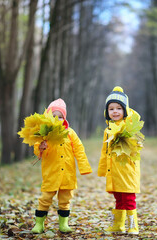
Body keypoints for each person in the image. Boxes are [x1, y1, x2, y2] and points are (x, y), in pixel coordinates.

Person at [31, 98, 93, 234]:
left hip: (67, 174)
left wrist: (84, 167)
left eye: (60, 117)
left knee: (65, 200)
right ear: (48, 117)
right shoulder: (45, 135)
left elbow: (79, 150)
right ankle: (39, 223)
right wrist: (41, 147)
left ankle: (63, 223)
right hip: (51, 173)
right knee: (45, 198)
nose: (57, 119)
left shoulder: (70, 133)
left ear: (64, 118)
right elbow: (37, 150)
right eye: (54, 116)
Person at [98, 86, 141, 235]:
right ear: (107, 112)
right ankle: (118, 224)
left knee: (129, 198)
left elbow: (137, 146)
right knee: (119, 199)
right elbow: (105, 151)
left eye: (118, 108)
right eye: (111, 109)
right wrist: (103, 169)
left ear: (125, 110)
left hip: (127, 170)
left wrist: (126, 137)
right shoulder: (107, 130)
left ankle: (133, 225)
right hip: (114, 171)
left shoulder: (129, 127)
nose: (115, 112)